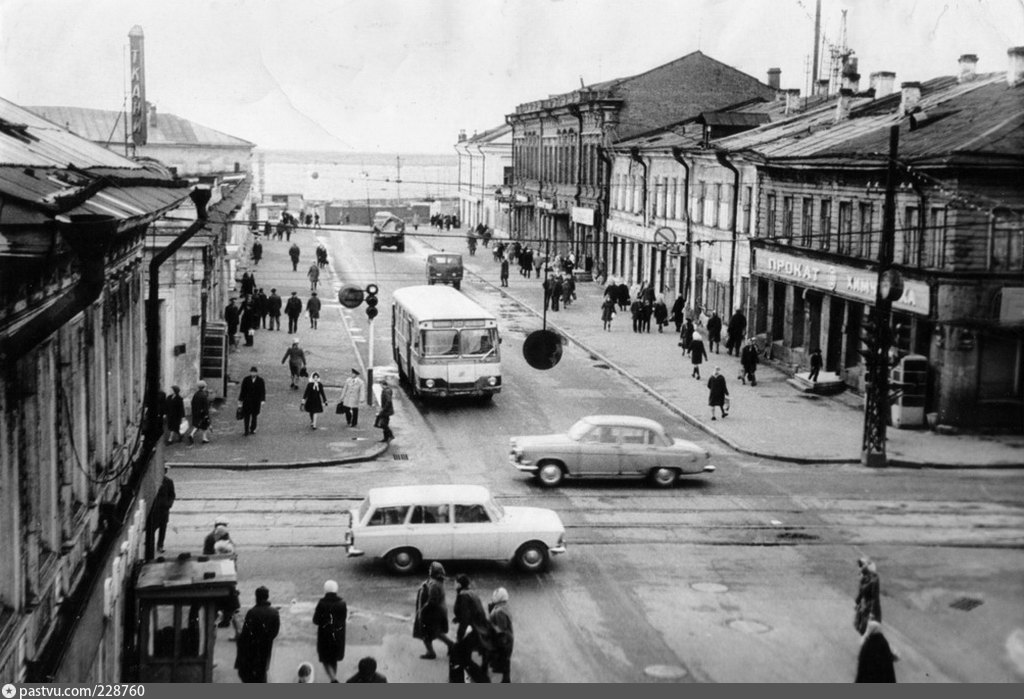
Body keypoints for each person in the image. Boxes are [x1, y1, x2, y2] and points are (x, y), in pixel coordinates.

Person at [235, 586, 281, 683]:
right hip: (266, 646)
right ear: (267, 597)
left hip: (252, 648)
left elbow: (246, 633)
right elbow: (275, 632)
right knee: (262, 672)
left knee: (249, 674)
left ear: (256, 597)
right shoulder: (274, 612)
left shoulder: (252, 612)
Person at [451, 574, 491, 683]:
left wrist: (459, 636)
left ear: (459, 584)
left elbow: (466, 619)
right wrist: (457, 618)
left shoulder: (463, 596)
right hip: (481, 627)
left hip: (474, 629)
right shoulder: (471, 593)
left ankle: (482, 679)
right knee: (464, 653)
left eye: (454, 582)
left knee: (460, 654)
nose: (453, 585)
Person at [414, 561, 455, 659]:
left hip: (431, 614)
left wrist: (422, 611)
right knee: (436, 632)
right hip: (436, 612)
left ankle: (431, 653)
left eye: (430, 569)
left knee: (426, 633)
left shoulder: (434, 584)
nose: (429, 570)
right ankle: (451, 645)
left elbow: (432, 601)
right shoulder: (436, 582)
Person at [313, 580, 348, 682]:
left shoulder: (322, 603)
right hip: (338, 636)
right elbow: (343, 618)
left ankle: (333, 679)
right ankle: (333, 679)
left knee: (325, 659)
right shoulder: (342, 603)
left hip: (325, 636)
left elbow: (315, 620)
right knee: (334, 659)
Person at [487, 588, 514, 683]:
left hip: (503, 640)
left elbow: (501, 629)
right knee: (505, 661)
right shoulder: (503, 607)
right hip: (507, 639)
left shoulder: (499, 612)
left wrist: (491, 624)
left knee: (503, 660)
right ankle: (505, 679)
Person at [854, 557, 882, 635]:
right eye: (859, 565)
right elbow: (861, 591)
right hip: (863, 608)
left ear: (866, 566)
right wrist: (857, 602)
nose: (859, 567)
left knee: (870, 633)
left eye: (861, 565)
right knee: (860, 628)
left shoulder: (874, 579)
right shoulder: (863, 578)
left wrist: (872, 613)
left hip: (871, 610)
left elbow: (874, 598)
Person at [151, 465, 175, 553]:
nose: (165, 472)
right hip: (155, 510)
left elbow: (172, 495)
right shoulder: (155, 481)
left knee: (163, 529)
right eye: (164, 470)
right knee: (152, 528)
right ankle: (150, 545)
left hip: (164, 510)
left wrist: (169, 504)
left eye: (165, 470)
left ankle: (160, 546)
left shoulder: (168, 482)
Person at [238, 366, 266, 436]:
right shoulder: (246, 379)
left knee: (254, 416)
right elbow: (243, 390)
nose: (253, 373)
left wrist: (262, 399)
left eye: (254, 372)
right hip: (247, 401)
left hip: (256, 401)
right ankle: (246, 430)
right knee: (246, 416)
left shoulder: (260, 380)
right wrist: (240, 399)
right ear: (250, 372)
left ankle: (252, 428)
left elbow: (263, 391)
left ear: (256, 373)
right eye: (252, 372)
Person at [376, 377, 395, 442]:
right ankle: (386, 438)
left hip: (386, 411)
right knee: (384, 424)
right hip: (386, 410)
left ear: (383, 384)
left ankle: (390, 435)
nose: (380, 386)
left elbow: (388, 401)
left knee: (383, 424)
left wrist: (384, 409)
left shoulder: (386, 391)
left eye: (381, 385)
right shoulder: (386, 390)